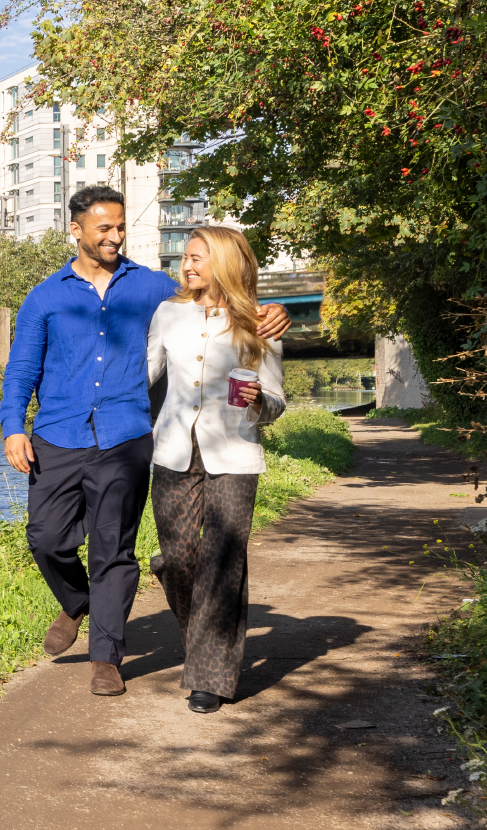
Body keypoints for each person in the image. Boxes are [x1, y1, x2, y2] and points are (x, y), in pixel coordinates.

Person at [0, 184, 290, 696]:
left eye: (120, 227)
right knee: (46, 539)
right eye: (104, 229)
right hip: (58, 433)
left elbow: (218, 307)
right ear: (77, 231)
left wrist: (272, 313)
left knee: (115, 548)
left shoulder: (152, 289)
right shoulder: (45, 297)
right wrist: (13, 427)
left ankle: (107, 658)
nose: (115, 237)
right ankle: (78, 601)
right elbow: (21, 369)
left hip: (127, 436)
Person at [146, 224, 286, 712]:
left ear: (225, 262)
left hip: (234, 456)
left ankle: (211, 674)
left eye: (198, 258)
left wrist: (257, 402)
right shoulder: (168, 314)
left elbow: (275, 401)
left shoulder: (259, 324)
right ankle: (206, 645)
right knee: (179, 559)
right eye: (185, 257)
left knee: (223, 561)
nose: (187, 265)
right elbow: (143, 376)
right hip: (171, 453)